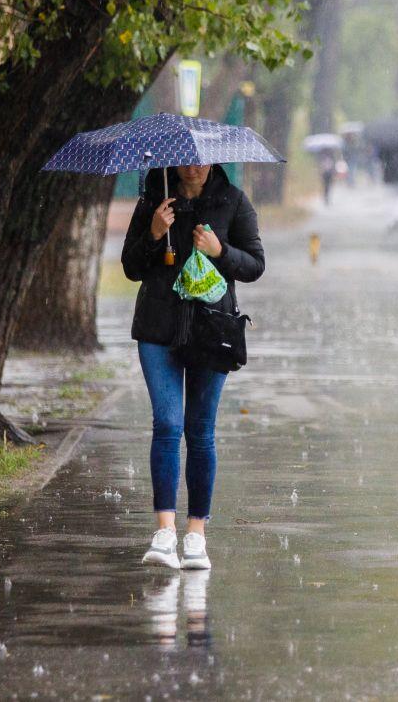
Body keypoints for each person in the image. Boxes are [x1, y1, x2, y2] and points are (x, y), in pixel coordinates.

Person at [121, 164, 265, 571]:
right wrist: (152, 232)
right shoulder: (155, 198)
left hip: (212, 329)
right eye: (186, 159)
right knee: (167, 424)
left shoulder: (232, 201)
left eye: (202, 159)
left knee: (200, 430)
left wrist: (220, 251)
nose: (194, 166)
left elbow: (255, 264)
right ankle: (164, 532)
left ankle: (196, 534)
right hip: (157, 327)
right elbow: (131, 267)